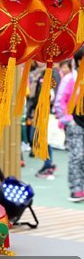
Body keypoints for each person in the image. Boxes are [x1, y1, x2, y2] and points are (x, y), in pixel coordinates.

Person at [54, 48, 84, 201]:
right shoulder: (70, 78)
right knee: (77, 156)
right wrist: (68, 120)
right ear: (78, 61)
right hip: (75, 123)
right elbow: (59, 102)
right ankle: (76, 189)